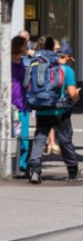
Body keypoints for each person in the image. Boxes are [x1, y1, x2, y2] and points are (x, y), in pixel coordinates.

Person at [26, 43, 83, 184]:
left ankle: (35, 170)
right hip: (60, 110)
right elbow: (71, 93)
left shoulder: (41, 68)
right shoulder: (67, 71)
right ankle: (72, 171)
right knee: (65, 140)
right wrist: (77, 95)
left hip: (42, 108)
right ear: (67, 57)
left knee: (40, 138)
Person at [11, 35, 31, 175]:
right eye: (25, 45)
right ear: (19, 46)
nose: (27, 48)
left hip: (23, 104)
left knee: (24, 138)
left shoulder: (25, 63)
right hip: (9, 105)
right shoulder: (5, 63)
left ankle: (22, 165)